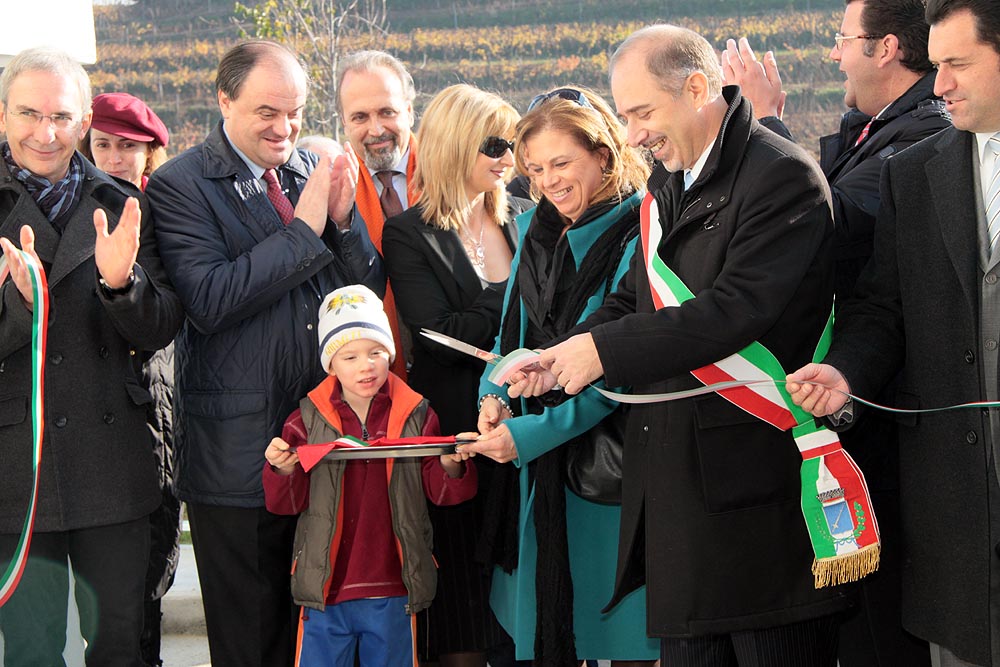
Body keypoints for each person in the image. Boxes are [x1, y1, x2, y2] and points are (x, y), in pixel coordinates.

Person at [507, 26, 853, 666]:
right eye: (625, 116)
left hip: (755, 507)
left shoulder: (781, 176)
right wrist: (558, 359)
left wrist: (602, 353)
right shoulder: (669, 183)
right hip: (679, 511)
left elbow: (732, 312)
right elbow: (631, 301)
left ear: (696, 89)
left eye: (642, 113)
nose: (632, 135)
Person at [721, 3, 950, 665]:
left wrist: (766, 125)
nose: (833, 55)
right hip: (853, 398)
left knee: (883, 635)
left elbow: (830, 223)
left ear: (886, 47)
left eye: (843, 39)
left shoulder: (922, 136)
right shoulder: (874, 130)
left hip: (891, 421)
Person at [146, 41, 383, 667]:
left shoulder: (309, 170)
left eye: (296, 112)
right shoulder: (179, 185)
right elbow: (210, 299)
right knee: (253, 639)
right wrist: (304, 232)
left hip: (325, 442)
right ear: (224, 101)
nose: (285, 128)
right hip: (239, 458)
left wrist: (342, 226)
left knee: (329, 633)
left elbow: (363, 294)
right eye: (267, 112)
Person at [787, 1, 1000, 665]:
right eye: (936, 65)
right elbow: (883, 307)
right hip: (956, 522)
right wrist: (846, 372)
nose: (941, 85)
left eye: (958, 64)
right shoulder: (913, 173)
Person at [0, 47, 183, 666]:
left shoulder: (125, 203)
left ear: (83, 124)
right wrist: (21, 306)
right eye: (29, 114)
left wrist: (120, 285)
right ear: (3, 115)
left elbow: (161, 328)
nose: (45, 133)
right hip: (17, 469)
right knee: (30, 652)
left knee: (118, 646)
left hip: (113, 466)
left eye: (61, 117)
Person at [464, 85, 657, 666]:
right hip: (538, 471)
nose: (549, 181)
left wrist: (528, 436)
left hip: (608, 472)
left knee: (618, 638)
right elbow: (508, 340)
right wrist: (493, 396)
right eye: (535, 169)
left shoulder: (643, 231)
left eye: (562, 163)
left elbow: (619, 368)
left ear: (603, 154)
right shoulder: (534, 231)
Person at [381, 83, 529, 667]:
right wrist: (516, 291)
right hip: (456, 441)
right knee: (463, 610)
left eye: (512, 143)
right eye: (494, 144)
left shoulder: (527, 218)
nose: (507, 156)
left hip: (527, 433)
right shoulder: (409, 233)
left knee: (526, 601)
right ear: (454, 143)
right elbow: (438, 338)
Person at [262, 284, 478, 666]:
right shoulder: (305, 419)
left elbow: (443, 494)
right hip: (324, 588)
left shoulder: (417, 414)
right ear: (330, 364)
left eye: (377, 352)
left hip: (395, 586)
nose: (366, 365)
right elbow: (286, 504)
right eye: (350, 356)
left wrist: (451, 463)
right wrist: (282, 468)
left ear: (391, 354)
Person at [80, 90, 182, 667]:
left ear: (149, 154)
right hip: (93, 408)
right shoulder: (76, 208)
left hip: (155, 397)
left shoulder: (164, 214)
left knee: (151, 568)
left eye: (128, 147)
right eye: (103, 145)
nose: (115, 158)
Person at [337, 49, 418, 378]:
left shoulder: (450, 173)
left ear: (409, 111)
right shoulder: (331, 192)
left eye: (387, 112)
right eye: (360, 117)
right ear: (344, 122)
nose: (375, 129)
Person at [81, 92, 170, 191]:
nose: (114, 160)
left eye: (128, 145)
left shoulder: (170, 199)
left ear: (150, 149)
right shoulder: (71, 198)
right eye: (103, 145)